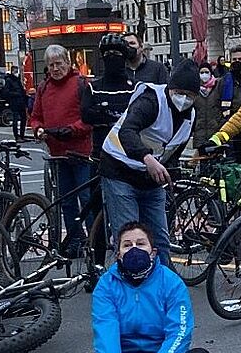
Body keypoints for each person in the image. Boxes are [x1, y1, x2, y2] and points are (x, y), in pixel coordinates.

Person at [79, 221, 213, 353]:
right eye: (127, 245)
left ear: (153, 252)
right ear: (118, 254)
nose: (134, 249)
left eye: (140, 244)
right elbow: (105, 327)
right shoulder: (106, 285)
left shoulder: (171, 283)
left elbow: (179, 331)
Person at [99, 59, 201, 255]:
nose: (183, 99)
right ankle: (122, 283)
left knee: (160, 241)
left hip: (149, 177)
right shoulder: (151, 101)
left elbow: (174, 148)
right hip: (119, 168)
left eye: (189, 95)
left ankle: (162, 284)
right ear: (170, 88)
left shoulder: (191, 115)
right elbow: (127, 131)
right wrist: (147, 158)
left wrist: (170, 172)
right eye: (179, 93)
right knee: (130, 239)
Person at [30, 44, 96, 256]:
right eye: (51, 65)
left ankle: (95, 241)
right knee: (66, 201)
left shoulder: (81, 85)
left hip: (80, 152)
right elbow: (35, 116)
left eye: (59, 64)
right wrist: (38, 129)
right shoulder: (43, 88)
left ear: (68, 63)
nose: (55, 68)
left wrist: (71, 130)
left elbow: (89, 117)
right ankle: (76, 241)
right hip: (57, 153)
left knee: (86, 199)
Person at [85, 33, 137, 157]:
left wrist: (103, 111)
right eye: (107, 54)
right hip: (101, 153)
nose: (112, 57)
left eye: (117, 54)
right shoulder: (93, 88)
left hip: (129, 153)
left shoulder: (136, 88)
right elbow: (86, 116)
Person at [192, 62, 226, 147]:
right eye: (202, 72)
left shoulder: (218, 86)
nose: (204, 75)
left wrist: (220, 123)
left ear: (211, 73)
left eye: (206, 72)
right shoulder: (195, 89)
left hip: (215, 130)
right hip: (199, 132)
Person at [217, 44, 241, 118]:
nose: (237, 61)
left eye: (240, 59)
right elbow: (217, 103)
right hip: (229, 120)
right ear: (230, 60)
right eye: (234, 59)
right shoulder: (223, 81)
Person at [0, 67, 28, 140]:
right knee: (15, 119)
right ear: (12, 71)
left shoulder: (17, 80)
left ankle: (22, 135)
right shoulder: (9, 80)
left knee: (23, 119)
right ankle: (17, 136)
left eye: (17, 71)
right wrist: (16, 94)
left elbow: (21, 90)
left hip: (21, 102)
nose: (17, 73)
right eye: (15, 71)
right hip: (14, 102)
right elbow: (6, 92)